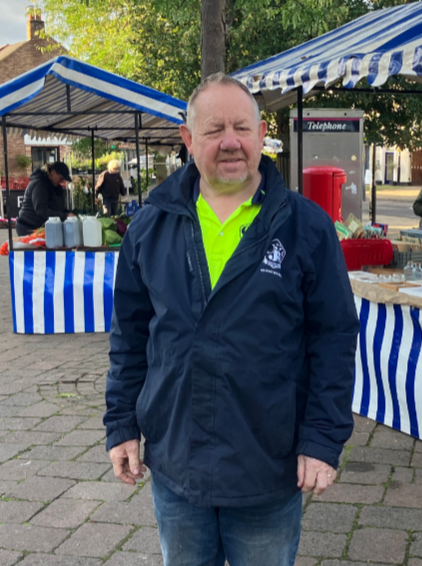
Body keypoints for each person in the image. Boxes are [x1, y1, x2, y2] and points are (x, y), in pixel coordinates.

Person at [104, 73, 359, 566]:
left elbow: (333, 339)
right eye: (214, 129)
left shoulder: (305, 227)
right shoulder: (151, 226)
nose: (230, 142)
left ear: (262, 134)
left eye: (242, 127)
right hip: (178, 464)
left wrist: (323, 440)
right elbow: (130, 337)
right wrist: (121, 425)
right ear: (187, 139)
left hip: (266, 467)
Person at [15, 161, 73, 237]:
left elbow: (56, 208)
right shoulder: (40, 185)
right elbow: (41, 210)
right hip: (28, 226)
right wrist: (64, 216)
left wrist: (68, 213)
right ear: (53, 173)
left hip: (40, 226)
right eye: (61, 178)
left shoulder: (54, 187)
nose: (62, 181)